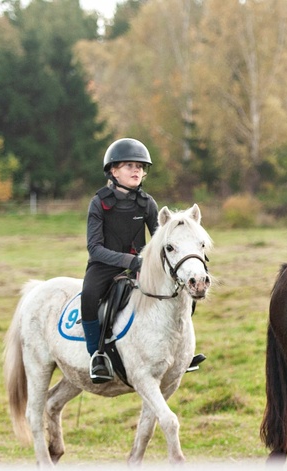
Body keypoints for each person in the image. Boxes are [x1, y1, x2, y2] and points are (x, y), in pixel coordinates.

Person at [81, 138, 206, 382]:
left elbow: (160, 239)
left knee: (183, 293)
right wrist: (130, 261)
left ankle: (182, 353)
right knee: (88, 296)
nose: (136, 170)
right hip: (104, 266)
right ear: (113, 170)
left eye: (140, 166)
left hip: (140, 268)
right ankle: (96, 356)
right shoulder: (98, 203)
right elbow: (94, 248)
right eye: (129, 166)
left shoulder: (148, 203)